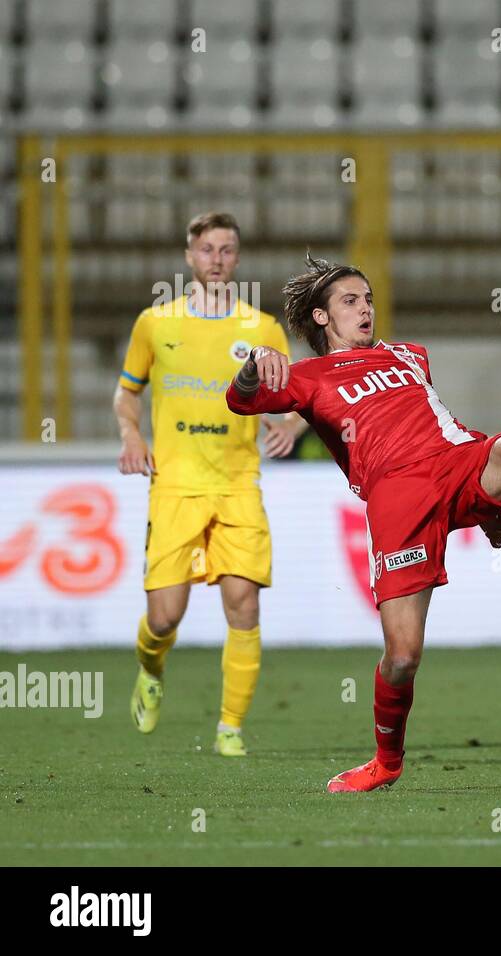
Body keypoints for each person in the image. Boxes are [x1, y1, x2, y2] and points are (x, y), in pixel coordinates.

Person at [226, 255, 501, 792]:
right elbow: (240, 399)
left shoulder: (409, 355)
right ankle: (386, 762)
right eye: (351, 302)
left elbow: (444, 423)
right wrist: (254, 363)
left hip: (459, 461)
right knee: (403, 656)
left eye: (368, 299)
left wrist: (485, 500)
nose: (365, 310)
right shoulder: (307, 378)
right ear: (321, 318)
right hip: (397, 497)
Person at [116, 211, 307, 756]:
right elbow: (126, 393)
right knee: (163, 617)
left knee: (243, 606)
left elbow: (296, 397)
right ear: (189, 257)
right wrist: (132, 437)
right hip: (174, 487)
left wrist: (288, 425)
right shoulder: (155, 324)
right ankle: (150, 669)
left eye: (226, 250)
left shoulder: (262, 330)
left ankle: (230, 728)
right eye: (207, 250)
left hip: (238, 486)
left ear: (238, 258)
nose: (217, 260)